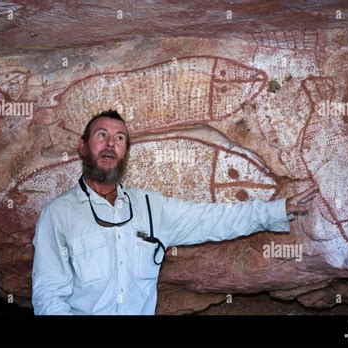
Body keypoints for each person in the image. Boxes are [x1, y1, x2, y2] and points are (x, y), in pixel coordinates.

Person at [32, 110, 319, 315]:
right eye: (102, 135)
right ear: (83, 146)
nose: (111, 143)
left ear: (125, 152)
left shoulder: (149, 207)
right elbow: (48, 296)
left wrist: (276, 209)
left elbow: (211, 219)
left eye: (120, 138)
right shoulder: (58, 214)